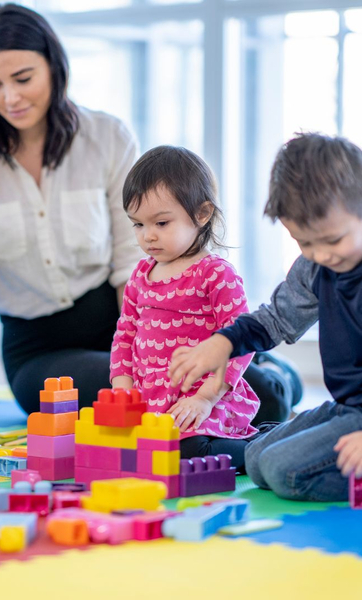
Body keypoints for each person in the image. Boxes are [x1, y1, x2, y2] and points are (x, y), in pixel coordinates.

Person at [0, 2, 300, 421]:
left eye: (23, 78)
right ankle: (264, 372)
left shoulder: (105, 136)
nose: (10, 97)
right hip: (41, 350)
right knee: (136, 407)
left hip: (131, 322)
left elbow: (135, 259)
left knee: (251, 395)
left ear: (55, 68)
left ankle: (270, 371)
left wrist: (153, 358)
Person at [168, 132, 362, 501]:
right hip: (347, 407)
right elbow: (275, 319)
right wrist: (222, 343)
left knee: (283, 472)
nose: (320, 254)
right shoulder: (315, 267)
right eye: (305, 243)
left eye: (333, 240)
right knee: (256, 459)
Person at [110, 146, 259, 470]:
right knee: (124, 453)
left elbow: (240, 343)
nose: (148, 236)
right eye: (137, 225)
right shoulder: (139, 276)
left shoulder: (216, 274)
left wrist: (205, 398)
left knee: (190, 453)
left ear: (202, 214)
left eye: (161, 223)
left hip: (208, 400)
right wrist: (122, 390)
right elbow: (125, 335)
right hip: (155, 405)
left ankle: (263, 444)